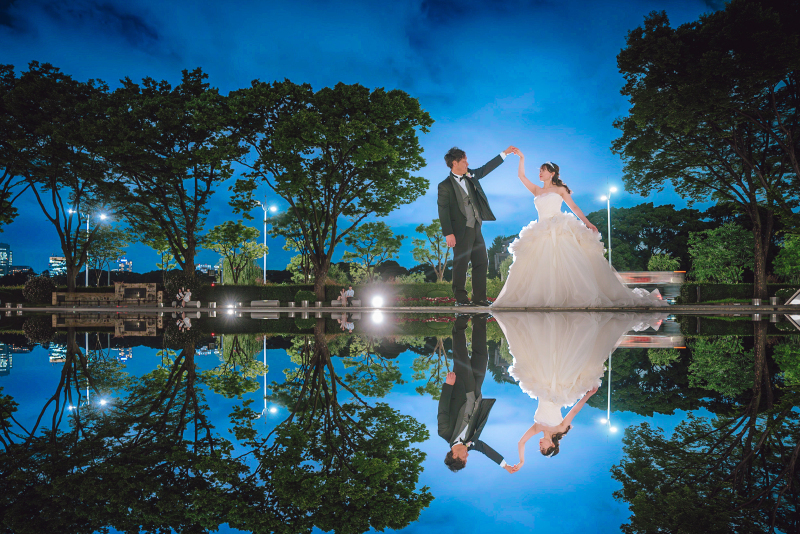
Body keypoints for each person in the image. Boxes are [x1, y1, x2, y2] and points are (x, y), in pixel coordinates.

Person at [492, 149, 667, 308]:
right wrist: (522, 157)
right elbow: (521, 177)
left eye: (543, 170)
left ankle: (570, 296)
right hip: (541, 229)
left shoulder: (560, 189)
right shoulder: (537, 190)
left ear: (552, 173)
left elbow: (573, 207)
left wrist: (588, 223)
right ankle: (542, 297)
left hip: (559, 227)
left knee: (566, 263)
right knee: (540, 264)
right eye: (539, 170)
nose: (540, 173)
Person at [493, 312, 666, 465]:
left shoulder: (537, 428)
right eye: (544, 449)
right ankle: (576, 323)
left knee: (544, 353)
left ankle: (552, 320)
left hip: (543, 383)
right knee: (567, 355)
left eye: (541, 449)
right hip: (560, 387)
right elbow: (574, 411)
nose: (540, 446)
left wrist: (521, 461)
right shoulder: (560, 429)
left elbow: (520, 443)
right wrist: (588, 395)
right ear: (552, 445)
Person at [438, 146, 517, 306]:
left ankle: (479, 298)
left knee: (482, 262)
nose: (467, 163)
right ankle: (461, 299)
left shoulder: (470, 175)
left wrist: (504, 153)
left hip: (476, 227)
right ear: (455, 163)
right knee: (461, 264)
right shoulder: (444, 185)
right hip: (460, 230)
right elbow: (443, 210)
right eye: (464, 160)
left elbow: (485, 169)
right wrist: (448, 233)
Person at [438, 314, 517, 473]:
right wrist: (505, 465)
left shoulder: (444, 432)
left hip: (460, 387)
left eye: (463, 458)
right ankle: (479, 318)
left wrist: (448, 386)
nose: (467, 456)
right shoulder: (471, 442)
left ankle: (461, 319)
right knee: (481, 355)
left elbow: (443, 409)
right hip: (475, 390)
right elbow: (486, 450)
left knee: (461, 353)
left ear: (454, 455)